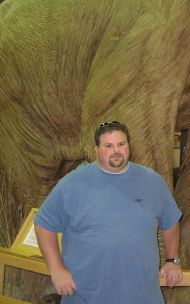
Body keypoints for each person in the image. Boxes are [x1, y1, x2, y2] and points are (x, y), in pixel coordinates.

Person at [34, 121, 182, 303]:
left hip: (142, 295)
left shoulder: (152, 182)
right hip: (86, 295)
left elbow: (171, 221)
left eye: (121, 144)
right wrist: (56, 269)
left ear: (129, 146)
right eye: (108, 146)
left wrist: (172, 261)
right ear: (96, 149)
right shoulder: (72, 184)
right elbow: (43, 225)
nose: (116, 151)